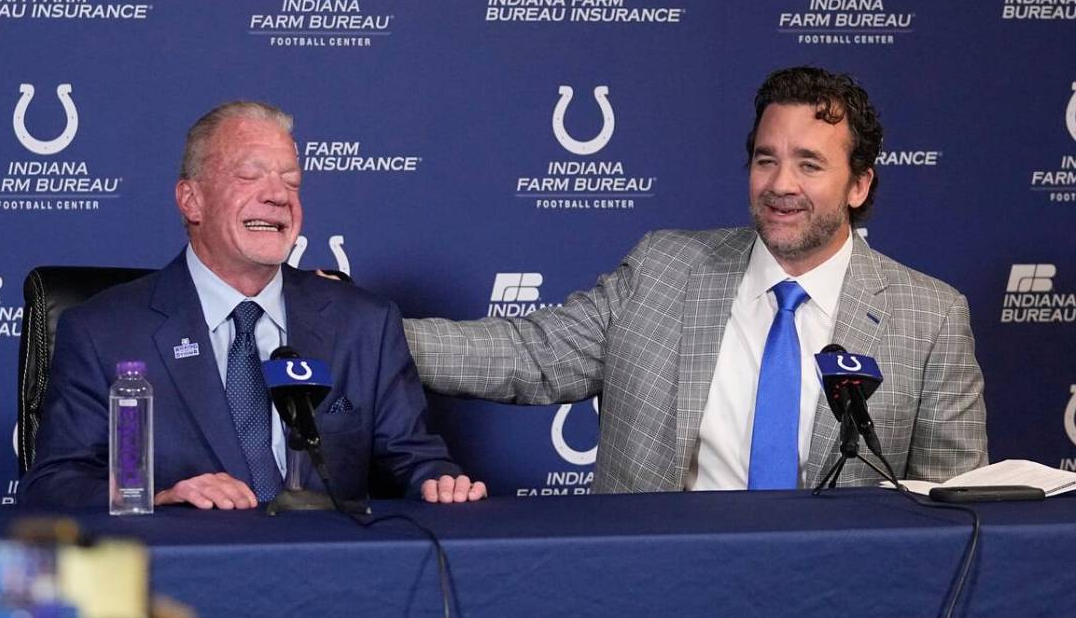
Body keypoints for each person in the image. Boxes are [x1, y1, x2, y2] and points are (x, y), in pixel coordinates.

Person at [405, 66, 987, 492]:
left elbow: (956, 506)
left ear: (858, 186)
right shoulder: (665, 269)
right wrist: (355, 331)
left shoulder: (929, 316)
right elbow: (525, 353)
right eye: (766, 160)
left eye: (809, 164)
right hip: (663, 596)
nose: (780, 184)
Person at [20, 101, 485, 509]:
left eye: (292, 181)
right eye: (249, 176)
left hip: (334, 584)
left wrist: (439, 484)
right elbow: (56, 483)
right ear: (192, 199)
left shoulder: (364, 323)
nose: (278, 195)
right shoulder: (104, 331)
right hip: (181, 587)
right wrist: (159, 498)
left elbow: (415, 460)